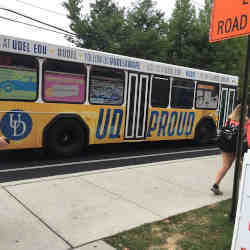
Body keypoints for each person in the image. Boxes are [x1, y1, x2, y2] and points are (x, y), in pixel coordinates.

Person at [211, 104, 248, 195]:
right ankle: (241, 188)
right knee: (241, 168)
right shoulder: (246, 121)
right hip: (237, 147)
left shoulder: (230, 118)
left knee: (225, 166)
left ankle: (215, 184)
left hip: (226, 145)